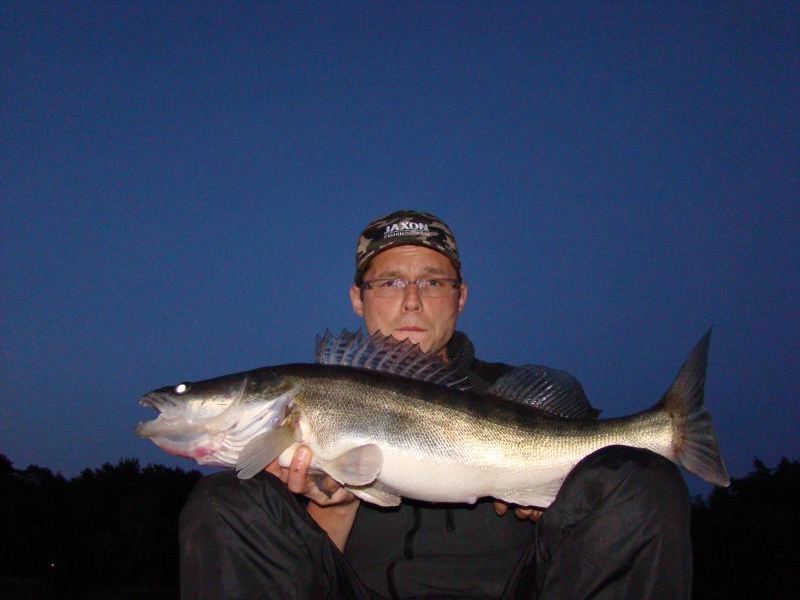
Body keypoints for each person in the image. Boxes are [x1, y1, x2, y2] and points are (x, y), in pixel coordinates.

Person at [179, 210, 692, 599]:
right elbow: (294, 575)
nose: (412, 300)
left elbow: (594, 516)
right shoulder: (296, 421)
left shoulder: (509, 393)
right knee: (226, 499)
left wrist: (567, 507)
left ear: (460, 296)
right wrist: (331, 506)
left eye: (432, 281)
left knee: (639, 480)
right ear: (358, 298)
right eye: (390, 282)